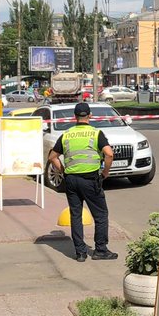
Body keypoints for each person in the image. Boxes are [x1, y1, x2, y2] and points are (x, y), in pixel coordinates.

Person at [47, 101, 117, 262]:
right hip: (91, 179)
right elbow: (109, 154)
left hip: (71, 180)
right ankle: (100, 249)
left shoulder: (66, 134)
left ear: (75, 117)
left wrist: (64, 171)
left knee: (76, 215)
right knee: (100, 215)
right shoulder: (95, 133)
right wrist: (105, 172)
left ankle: (80, 252)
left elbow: (52, 157)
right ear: (90, 116)